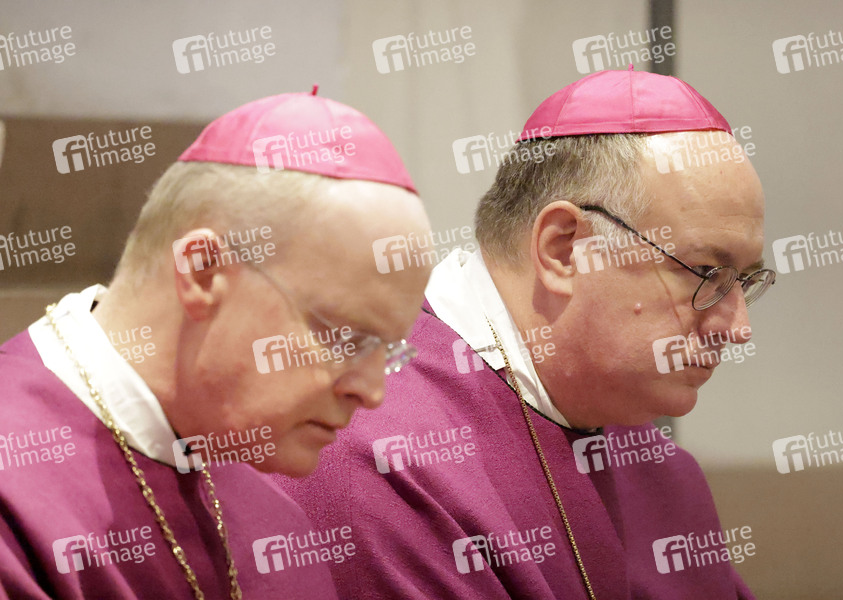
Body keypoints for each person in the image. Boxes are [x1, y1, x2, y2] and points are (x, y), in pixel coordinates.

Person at [276, 68, 773, 599]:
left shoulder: (663, 473)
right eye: (705, 273)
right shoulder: (377, 453)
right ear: (564, 249)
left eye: (744, 281)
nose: (738, 328)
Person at [0, 91, 431, 599]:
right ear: (202, 272)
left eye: (388, 349)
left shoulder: (276, 518)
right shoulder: (15, 483)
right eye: (347, 338)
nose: (372, 392)